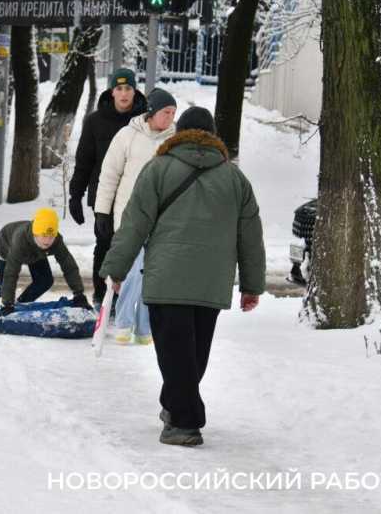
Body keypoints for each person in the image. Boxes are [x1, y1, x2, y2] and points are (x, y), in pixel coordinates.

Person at [99, 107, 266, 447]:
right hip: (212, 281)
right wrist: (251, 286)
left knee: (176, 354)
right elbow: (250, 235)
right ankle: (174, 407)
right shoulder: (235, 179)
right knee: (194, 354)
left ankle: (185, 422)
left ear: (179, 133)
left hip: (167, 277)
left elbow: (135, 224)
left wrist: (115, 269)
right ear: (213, 136)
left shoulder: (157, 169)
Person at [93, 88, 177, 345]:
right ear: (152, 112)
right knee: (132, 273)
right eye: (166, 112)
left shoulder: (175, 139)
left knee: (153, 275)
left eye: (174, 113)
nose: (170, 118)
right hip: (130, 217)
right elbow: (109, 175)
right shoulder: (127, 136)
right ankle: (124, 323)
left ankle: (144, 329)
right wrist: (102, 212)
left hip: (162, 219)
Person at [69, 68, 148, 308]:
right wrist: (76, 195)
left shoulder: (145, 120)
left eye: (128, 89)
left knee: (134, 247)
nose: (124, 94)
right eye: (119, 89)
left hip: (137, 196)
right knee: (105, 244)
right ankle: (103, 295)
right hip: (104, 196)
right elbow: (84, 160)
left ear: (135, 91)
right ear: (112, 91)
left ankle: (132, 297)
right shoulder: (95, 121)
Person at [0, 208, 92, 316]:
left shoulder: (56, 241)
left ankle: (21, 303)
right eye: (44, 236)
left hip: (36, 252)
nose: (48, 241)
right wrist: (7, 304)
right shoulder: (20, 241)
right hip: (6, 244)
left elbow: (69, 266)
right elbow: (11, 274)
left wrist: (79, 294)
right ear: (36, 233)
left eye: (51, 237)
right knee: (4, 286)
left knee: (45, 281)